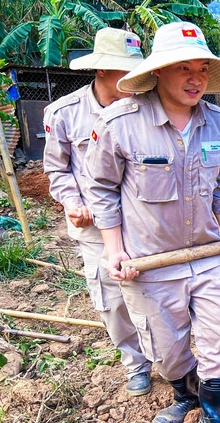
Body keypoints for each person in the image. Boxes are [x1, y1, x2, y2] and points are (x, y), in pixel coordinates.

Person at [82, 22, 220, 423]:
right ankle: (186, 395)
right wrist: (115, 250)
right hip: (150, 262)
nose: (196, 79)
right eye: (183, 68)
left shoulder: (219, 124)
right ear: (159, 70)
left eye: (203, 69)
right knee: (165, 351)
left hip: (207, 255)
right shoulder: (119, 123)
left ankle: (216, 421)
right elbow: (102, 189)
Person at [43, 27, 152, 397]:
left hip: (146, 221)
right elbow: (56, 168)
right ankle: (136, 363)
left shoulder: (147, 109)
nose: (135, 80)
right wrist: (73, 202)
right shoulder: (64, 114)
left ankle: (170, 359)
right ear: (102, 70)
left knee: (155, 290)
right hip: (93, 226)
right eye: (125, 71)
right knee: (112, 296)